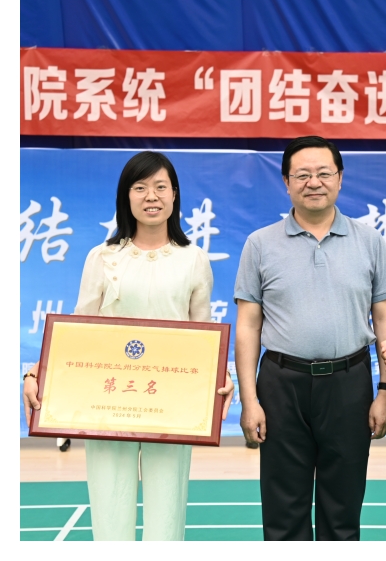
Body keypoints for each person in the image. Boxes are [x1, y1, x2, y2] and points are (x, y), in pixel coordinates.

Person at [22, 152, 234, 540]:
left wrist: (222, 378)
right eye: (140, 187)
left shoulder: (193, 259)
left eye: (160, 187)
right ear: (126, 196)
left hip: (172, 404)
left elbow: (204, 336)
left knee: (167, 512)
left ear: (174, 195)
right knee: (110, 506)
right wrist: (36, 372)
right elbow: (78, 331)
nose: (151, 196)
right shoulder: (102, 257)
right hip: (108, 403)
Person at [233, 136, 386, 540]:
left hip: (349, 384)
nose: (314, 182)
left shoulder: (369, 241)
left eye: (324, 173)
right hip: (281, 384)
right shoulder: (260, 244)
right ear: (286, 182)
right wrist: (249, 401)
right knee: (283, 511)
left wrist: (385, 391)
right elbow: (248, 326)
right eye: (302, 175)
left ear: (340, 179)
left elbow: (385, 319)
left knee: (342, 511)